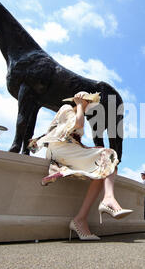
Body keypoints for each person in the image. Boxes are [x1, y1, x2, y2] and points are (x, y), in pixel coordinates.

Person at [28, 91, 133, 241]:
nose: (89, 105)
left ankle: (80, 219)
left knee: (105, 166)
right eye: (88, 102)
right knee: (107, 154)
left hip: (67, 149)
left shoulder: (79, 113)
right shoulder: (67, 108)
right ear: (80, 101)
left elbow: (75, 138)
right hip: (60, 148)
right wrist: (78, 105)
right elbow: (76, 125)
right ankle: (108, 199)